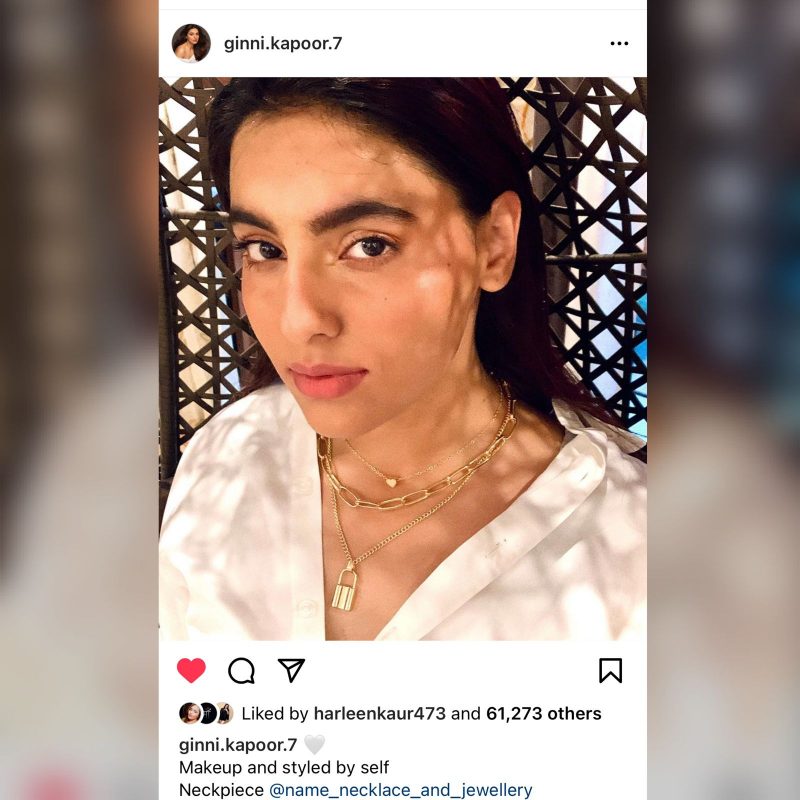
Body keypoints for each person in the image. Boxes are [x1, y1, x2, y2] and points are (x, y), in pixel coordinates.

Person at [159, 78, 646, 641]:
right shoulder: (228, 454)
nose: (299, 320)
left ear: (494, 244)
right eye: (264, 249)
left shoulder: (631, 557)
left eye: (370, 245)